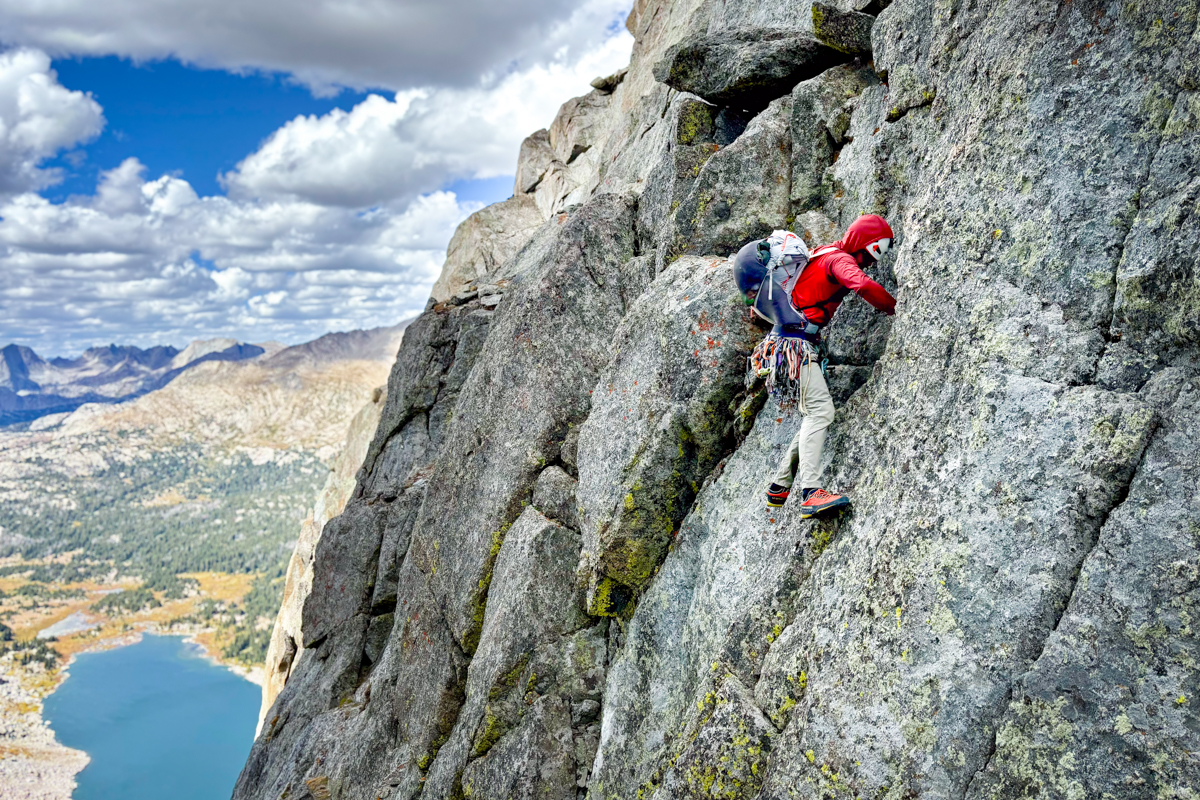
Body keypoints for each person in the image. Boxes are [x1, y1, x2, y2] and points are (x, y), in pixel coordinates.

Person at [733, 215, 897, 518]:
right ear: (865, 245)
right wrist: (898, 308)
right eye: (875, 253)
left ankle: (779, 485)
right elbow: (861, 284)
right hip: (795, 347)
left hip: (781, 347)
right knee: (821, 412)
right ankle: (810, 492)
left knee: (813, 411)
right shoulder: (840, 260)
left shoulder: (822, 252)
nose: (873, 262)